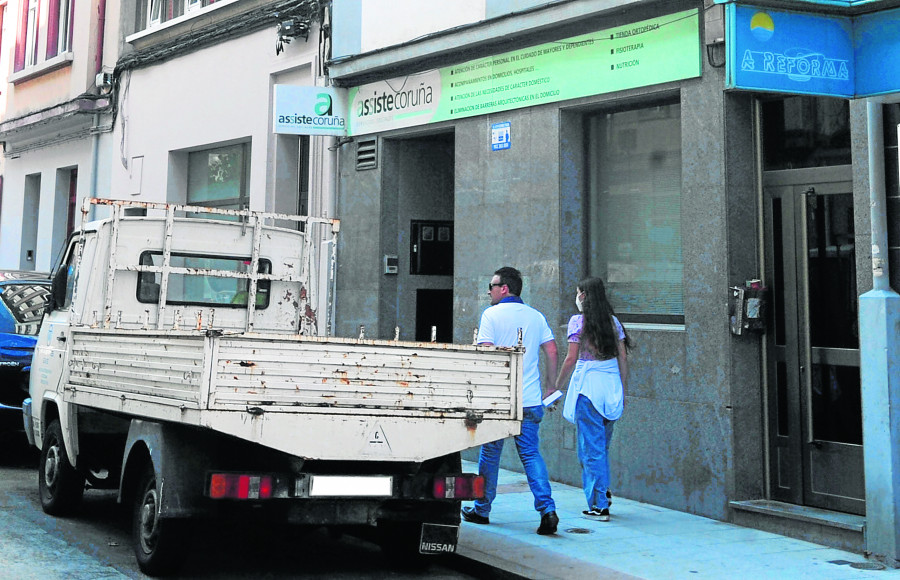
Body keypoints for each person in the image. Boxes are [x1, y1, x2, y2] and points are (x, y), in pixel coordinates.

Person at [461, 267, 561, 535]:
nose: (489, 291)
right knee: (530, 454)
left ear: (504, 288)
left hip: (499, 401)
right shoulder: (536, 316)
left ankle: (482, 509)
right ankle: (547, 510)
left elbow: (485, 353)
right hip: (529, 400)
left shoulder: (491, 315)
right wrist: (550, 385)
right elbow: (551, 350)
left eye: (492, 286)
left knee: (490, 454)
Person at [556, 277, 629, 522]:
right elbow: (623, 360)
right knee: (602, 448)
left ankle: (599, 504)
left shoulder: (578, 322)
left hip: (588, 389)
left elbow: (571, 359)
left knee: (591, 450)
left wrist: (555, 386)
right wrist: (623, 391)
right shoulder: (614, 323)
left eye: (578, 293)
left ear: (584, 296)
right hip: (611, 387)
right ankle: (603, 492)